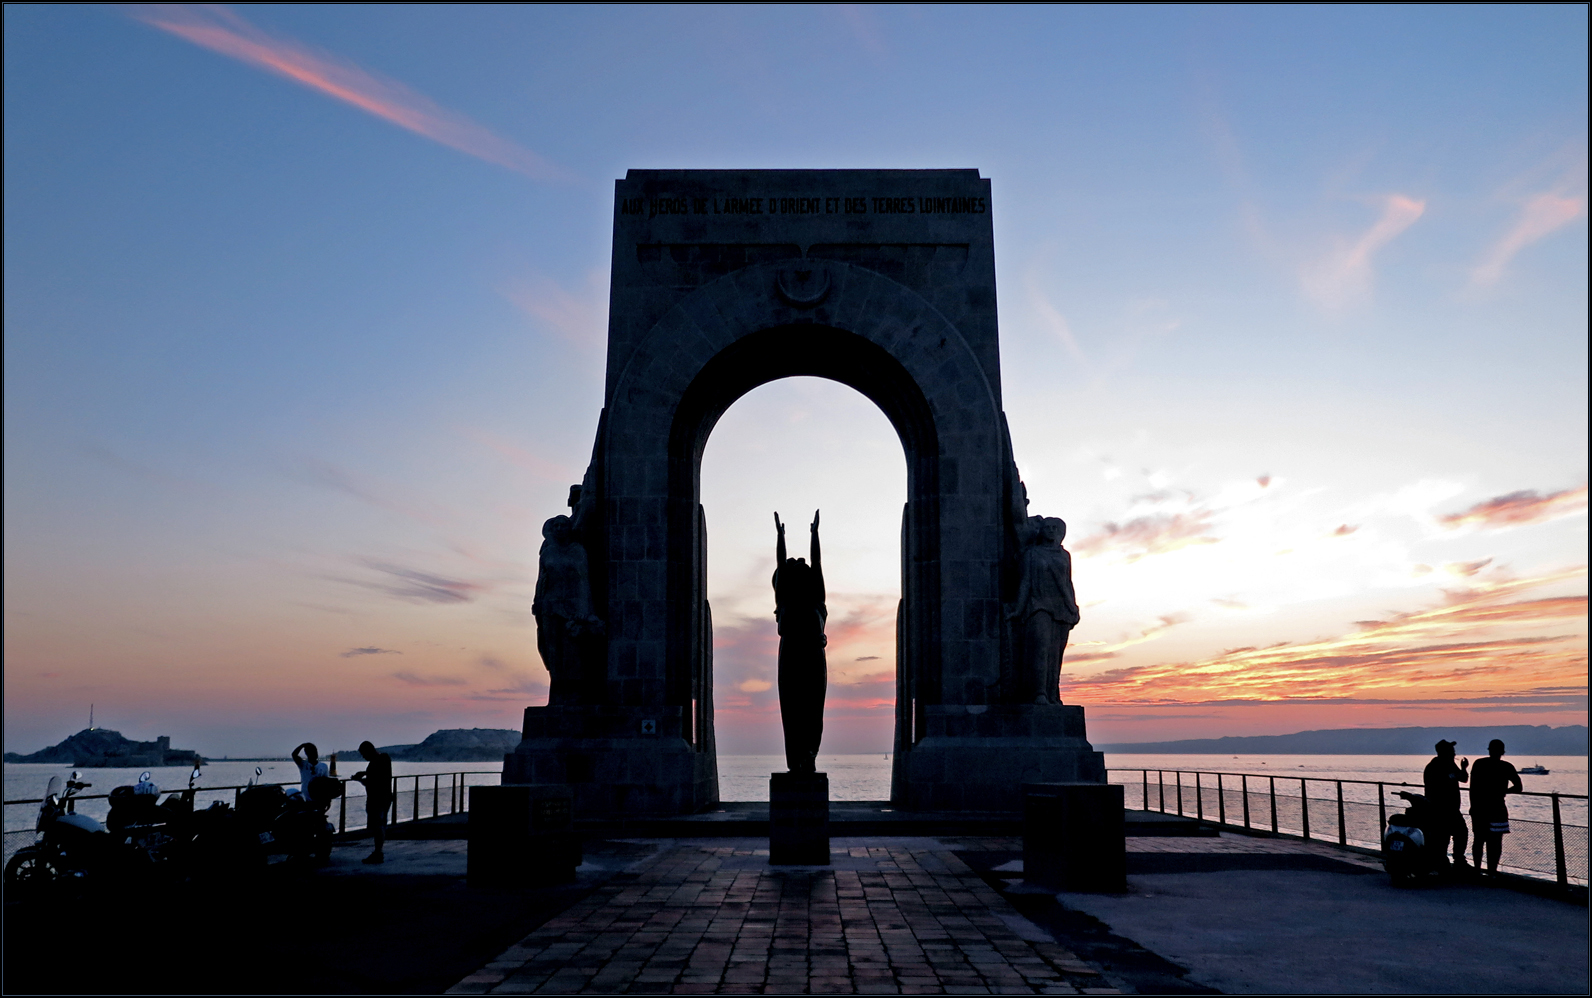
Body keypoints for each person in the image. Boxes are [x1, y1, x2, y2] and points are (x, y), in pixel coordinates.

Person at [773, 510, 827, 774]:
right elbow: (781, 564)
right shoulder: (785, 600)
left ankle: (810, 756)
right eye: (797, 565)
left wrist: (814, 534)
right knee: (792, 712)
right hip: (791, 655)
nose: (802, 564)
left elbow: (817, 563)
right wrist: (780, 537)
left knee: (814, 711)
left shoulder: (817, 597)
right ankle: (795, 761)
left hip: (814, 656)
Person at [1009, 514, 1080, 704]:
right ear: (1040, 531)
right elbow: (1024, 583)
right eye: (1047, 527)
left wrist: (1073, 606)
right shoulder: (1031, 554)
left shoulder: (1064, 555)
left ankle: (1052, 693)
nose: (1050, 530)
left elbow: (1067, 582)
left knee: (1055, 653)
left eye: (1054, 528)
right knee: (1040, 648)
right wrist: (1017, 609)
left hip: (1062, 608)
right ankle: (1038, 693)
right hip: (1038, 605)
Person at [1469, 738, 1523, 876]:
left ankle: (1477, 870)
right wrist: (1504, 792)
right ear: (1503, 752)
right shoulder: (1507, 767)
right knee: (1495, 842)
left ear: (1489, 750)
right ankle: (1492, 871)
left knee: (1479, 839)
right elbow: (1518, 787)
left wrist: (1473, 806)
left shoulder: (1479, 764)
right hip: (1498, 807)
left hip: (1480, 807)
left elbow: (1473, 788)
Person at [1422, 739, 1470, 873]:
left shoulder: (1447, 764)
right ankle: (1450, 861)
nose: (1454, 753)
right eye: (1452, 751)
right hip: (1442, 808)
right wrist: (1462, 770)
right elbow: (1459, 777)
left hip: (1450, 808)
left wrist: (1463, 769)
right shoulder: (1436, 766)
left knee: (1453, 834)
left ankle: (1448, 861)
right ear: (1445, 752)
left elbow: (1463, 778)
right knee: (1451, 834)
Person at [351, 741, 393, 864]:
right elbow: (376, 774)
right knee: (379, 825)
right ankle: (378, 852)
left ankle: (378, 853)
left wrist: (360, 779)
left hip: (378, 799)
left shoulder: (380, 759)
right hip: (381, 798)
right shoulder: (382, 760)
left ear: (369, 750)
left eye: (364, 754)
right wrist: (364, 774)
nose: (364, 757)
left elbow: (373, 781)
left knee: (378, 825)